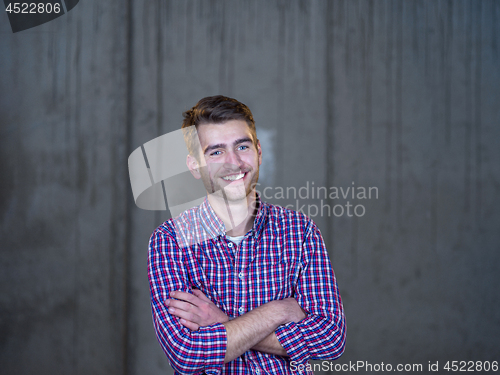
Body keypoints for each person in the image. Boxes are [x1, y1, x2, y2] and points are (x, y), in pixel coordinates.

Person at [148, 95, 346, 374]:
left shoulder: (300, 231)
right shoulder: (171, 240)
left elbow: (330, 340)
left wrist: (222, 322)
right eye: (215, 152)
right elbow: (187, 354)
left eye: (242, 146)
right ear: (194, 166)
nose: (233, 163)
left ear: (259, 152)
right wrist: (277, 311)